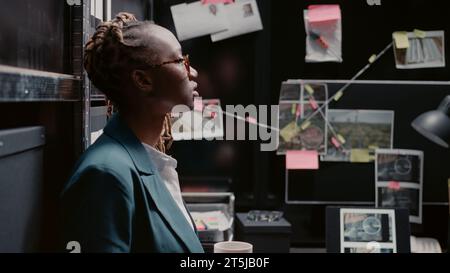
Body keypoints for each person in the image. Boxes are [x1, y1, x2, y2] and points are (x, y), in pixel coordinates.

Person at [60, 12, 204, 253]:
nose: (193, 72)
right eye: (181, 61)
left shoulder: (149, 160)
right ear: (143, 80)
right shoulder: (105, 175)